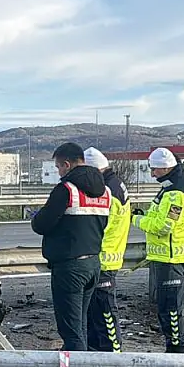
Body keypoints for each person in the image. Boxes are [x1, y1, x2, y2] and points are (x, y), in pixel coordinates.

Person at [31, 142, 112, 351]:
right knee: (81, 324)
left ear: (67, 164)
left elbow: (41, 225)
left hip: (69, 267)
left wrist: (37, 216)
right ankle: (83, 362)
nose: (58, 172)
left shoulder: (66, 190)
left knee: (71, 330)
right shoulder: (105, 192)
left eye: (58, 167)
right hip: (93, 263)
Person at [133, 148, 184, 352]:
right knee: (166, 310)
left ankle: (177, 352)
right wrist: (144, 216)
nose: (152, 174)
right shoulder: (169, 188)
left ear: (166, 167)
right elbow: (159, 218)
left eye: (155, 169)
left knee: (172, 311)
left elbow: (164, 227)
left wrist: (136, 220)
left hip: (172, 259)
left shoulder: (176, 193)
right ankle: (174, 349)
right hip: (165, 257)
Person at [84, 147, 130, 352]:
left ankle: (112, 354)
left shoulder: (106, 190)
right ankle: (100, 353)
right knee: (97, 312)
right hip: (110, 255)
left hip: (104, 258)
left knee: (104, 312)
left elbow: (98, 224)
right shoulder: (115, 184)